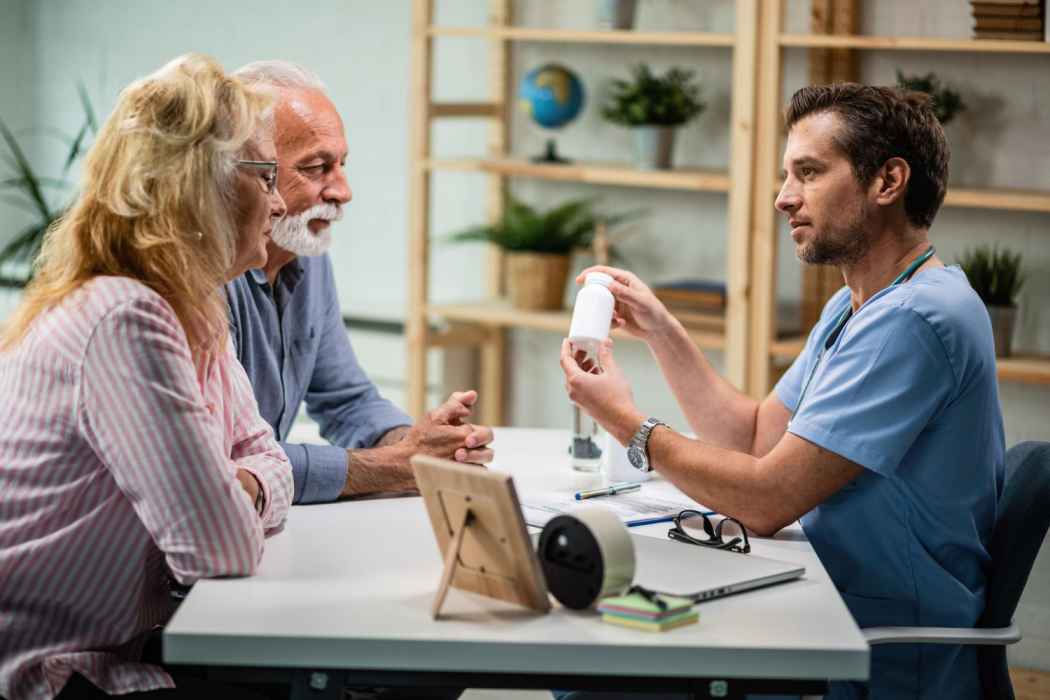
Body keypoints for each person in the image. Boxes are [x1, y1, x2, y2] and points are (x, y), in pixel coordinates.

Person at [558, 84, 1003, 699]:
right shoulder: (861, 304)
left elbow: (765, 501)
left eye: (809, 173)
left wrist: (630, 427)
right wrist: (661, 330)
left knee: (588, 679)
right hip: (818, 604)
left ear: (888, 181)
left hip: (867, 652)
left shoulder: (915, 320)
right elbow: (756, 436)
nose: (782, 198)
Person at [0, 54, 293, 700]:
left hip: (123, 652)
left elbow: (270, 456)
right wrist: (238, 488)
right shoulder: (126, 317)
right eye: (265, 175)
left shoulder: (192, 306)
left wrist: (236, 482)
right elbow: (219, 550)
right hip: (55, 675)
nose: (279, 200)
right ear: (199, 184)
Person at [224, 60, 493, 504]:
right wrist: (393, 466)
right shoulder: (198, 278)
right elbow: (230, 464)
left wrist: (416, 443)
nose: (342, 191)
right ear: (249, 173)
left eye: (341, 164)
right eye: (315, 168)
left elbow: (346, 400)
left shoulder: (307, 254)